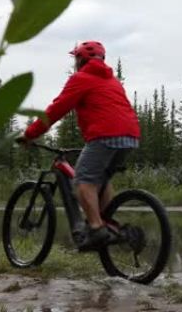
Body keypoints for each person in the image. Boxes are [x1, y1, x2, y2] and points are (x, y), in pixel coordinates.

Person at [18, 41, 140, 251]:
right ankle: (106, 223)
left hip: (105, 136)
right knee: (101, 179)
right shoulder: (113, 81)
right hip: (130, 136)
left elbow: (55, 111)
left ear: (80, 60)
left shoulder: (81, 78)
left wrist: (30, 134)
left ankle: (95, 227)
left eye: (75, 59)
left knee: (83, 180)